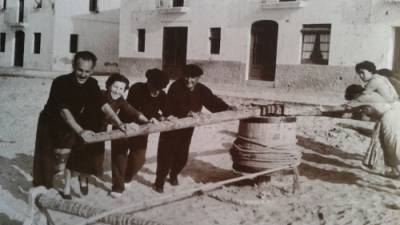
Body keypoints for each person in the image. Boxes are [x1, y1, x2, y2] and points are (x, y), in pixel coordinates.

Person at [32, 51, 128, 199]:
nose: (83, 74)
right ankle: (42, 191)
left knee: (73, 156)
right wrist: (81, 131)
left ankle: (77, 179)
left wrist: (118, 121)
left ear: (92, 70)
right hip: (51, 123)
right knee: (48, 161)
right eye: (80, 70)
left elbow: (103, 105)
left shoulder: (92, 84)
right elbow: (64, 112)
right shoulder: (60, 82)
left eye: (87, 71)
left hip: (74, 122)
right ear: (73, 66)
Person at [153, 64, 233, 193]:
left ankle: (173, 174)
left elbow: (212, 101)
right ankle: (159, 182)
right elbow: (174, 104)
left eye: (193, 77)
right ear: (182, 76)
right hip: (172, 126)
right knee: (165, 155)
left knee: (182, 156)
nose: (189, 80)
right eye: (186, 76)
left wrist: (227, 108)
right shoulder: (175, 87)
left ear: (198, 78)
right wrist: (188, 112)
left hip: (187, 128)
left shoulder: (202, 89)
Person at [67, 73, 147, 196]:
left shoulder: (120, 100)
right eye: (115, 87)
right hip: (86, 127)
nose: (117, 91)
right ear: (109, 85)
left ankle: (84, 177)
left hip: (101, 131)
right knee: (81, 156)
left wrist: (146, 120)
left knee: (94, 158)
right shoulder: (101, 94)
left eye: (121, 89)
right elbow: (103, 110)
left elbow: (132, 111)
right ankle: (78, 181)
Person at [110, 68, 170, 198]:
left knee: (139, 159)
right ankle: (117, 187)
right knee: (119, 157)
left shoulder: (162, 95)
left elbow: (164, 111)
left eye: (159, 88)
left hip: (142, 130)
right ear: (148, 82)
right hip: (124, 125)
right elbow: (133, 109)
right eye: (154, 87)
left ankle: (126, 178)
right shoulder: (137, 88)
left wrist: (160, 117)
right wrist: (151, 117)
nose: (156, 91)